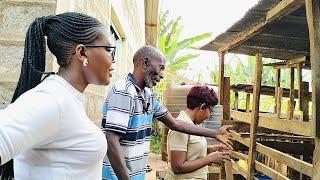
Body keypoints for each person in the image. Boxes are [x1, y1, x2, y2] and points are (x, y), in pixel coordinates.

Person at [0, 12, 115, 179]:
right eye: (108, 50)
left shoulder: (66, 97)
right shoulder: (53, 99)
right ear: (82, 52)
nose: (112, 60)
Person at [101, 45, 232, 180]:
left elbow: (175, 123)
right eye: (161, 68)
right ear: (145, 63)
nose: (162, 75)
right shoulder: (124, 91)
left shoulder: (148, 97)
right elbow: (111, 140)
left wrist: (215, 134)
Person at [165, 86, 230, 180]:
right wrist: (210, 159)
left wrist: (209, 149)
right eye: (210, 111)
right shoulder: (180, 128)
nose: (209, 116)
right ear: (202, 107)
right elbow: (178, 167)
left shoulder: (193, 126)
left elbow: (189, 149)